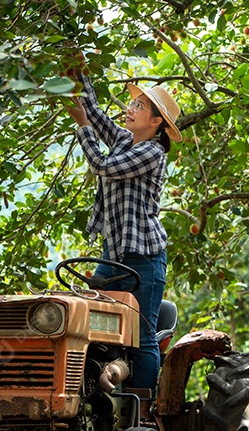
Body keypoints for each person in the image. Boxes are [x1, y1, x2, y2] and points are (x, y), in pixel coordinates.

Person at [63, 65, 182, 392]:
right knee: (90, 329)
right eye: (132, 104)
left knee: (142, 338)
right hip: (113, 255)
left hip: (145, 258)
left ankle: (141, 411)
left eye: (139, 107)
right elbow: (97, 114)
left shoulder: (152, 152)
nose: (130, 109)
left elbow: (101, 166)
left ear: (156, 122)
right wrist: (79, 72)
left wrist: (83, 126)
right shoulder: (125, 139)